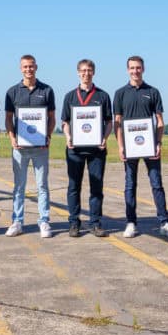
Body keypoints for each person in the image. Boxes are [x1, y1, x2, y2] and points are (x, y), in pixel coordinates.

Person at [113, 55, 168, 239]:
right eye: (132, 68)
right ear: (127, 70)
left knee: (156, 184)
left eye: (138, 67)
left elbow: (160, 122)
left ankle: (164, 223)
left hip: (150, 147)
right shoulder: (120, 93)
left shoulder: (153, 92)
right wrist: (120, 146)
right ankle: (131, 223)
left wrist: (158, 143)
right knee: (130, 185)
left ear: (143, 69)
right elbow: (117, 122)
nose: (135, 71)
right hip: (130, 148)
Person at [4, 54, 56, 238]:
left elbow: (52, 118)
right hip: (20, 148)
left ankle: (44, 221)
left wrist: (48, 136)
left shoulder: (47, 90)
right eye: (25, 66)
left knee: (42, 186)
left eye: (31, 66)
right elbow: (8, 119)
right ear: (21, 69)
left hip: (40, 148)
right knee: (19, 186)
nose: (28, 69)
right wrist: (12, 138)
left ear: (36, 67)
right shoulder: (12, 91)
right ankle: (17, 221)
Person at [61, 59, 113, 237]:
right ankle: (74, 223)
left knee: (96, 188)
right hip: (74, 150)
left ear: (94, 72)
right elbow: (65, 122)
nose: (86, 73)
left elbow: (109, 122)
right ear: (78, 72)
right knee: (73, 187)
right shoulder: (70, 96)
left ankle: (95, 223)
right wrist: (68, 137)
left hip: (96, 150)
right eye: (83, 70)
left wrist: (105, 138)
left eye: (89, 70)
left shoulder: (103, 96)